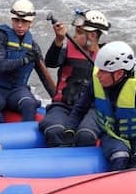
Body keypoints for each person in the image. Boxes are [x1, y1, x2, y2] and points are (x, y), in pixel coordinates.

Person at [67, 41, 136, 171]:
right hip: (112, 135)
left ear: (119, 74)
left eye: (103, 72)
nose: (98, 75)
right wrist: (70, 128)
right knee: (119, 156)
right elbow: (80, 109)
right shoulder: (96, 84)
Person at [39, 9, 110, 147]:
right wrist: (58, 40)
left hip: (92, 110)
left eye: (79, 33)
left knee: (86, 135)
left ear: (93, 35)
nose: (74, 36)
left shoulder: (107, 58)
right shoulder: (67, 50)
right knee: (54, 130)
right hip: (63, 106)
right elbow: (51, 62)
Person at [0, 0, 45, 123]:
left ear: (31, 23)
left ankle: (26, 137)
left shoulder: (33, 47)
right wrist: (24, 60)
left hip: (18, 90)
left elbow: (44, 75)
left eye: (24, 21)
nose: (19, 25)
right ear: (12, 20)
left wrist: (57, 100)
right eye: (16, 20)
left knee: (30, 104)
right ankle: (0, 134)